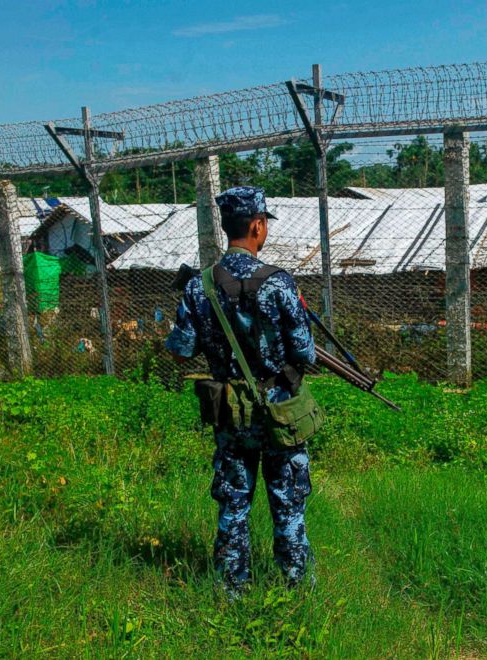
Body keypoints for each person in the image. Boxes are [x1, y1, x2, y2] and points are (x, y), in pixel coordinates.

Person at [165, 186, 316, 596]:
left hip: (231, 414)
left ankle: (232, 589)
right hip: (280, 412)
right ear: (257, 225)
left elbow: (179, 351)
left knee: (233, 504)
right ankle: (297, 589)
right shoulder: (280, 284)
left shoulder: (201, 287)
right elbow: (306, 352)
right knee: (287, 504)